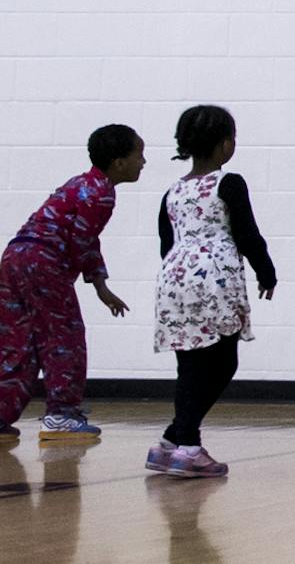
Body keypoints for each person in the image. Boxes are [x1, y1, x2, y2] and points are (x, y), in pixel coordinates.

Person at [148, 105, 278, 479]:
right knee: (223, 362)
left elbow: (164, 242)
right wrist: (266, 272)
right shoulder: (229, 182)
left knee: (189, 365)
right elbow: (248, 234)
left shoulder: (172, 191)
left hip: (174, 277)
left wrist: (180, 275)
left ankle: (172, 443)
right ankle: (188, 443)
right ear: (225, 145)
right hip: (214, 279)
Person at [0, 125, 146, 443]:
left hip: (14, 256)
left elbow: (82, 238)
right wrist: (99, 285)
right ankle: (62, 416)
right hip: (43, 262)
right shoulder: (102, 193)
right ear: (119, 162)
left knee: (18, 341)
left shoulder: (80, 182)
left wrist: (100, 284)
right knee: (63, 337)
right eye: (139, 154)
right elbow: (84, 240)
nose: (144, 162)